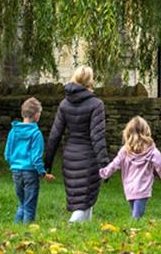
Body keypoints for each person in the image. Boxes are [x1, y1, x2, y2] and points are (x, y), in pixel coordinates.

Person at [44, 66, 109, 222]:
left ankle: (84, 234)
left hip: (70, 158)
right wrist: (105, 165)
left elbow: (55, 135)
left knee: (85, 201)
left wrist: (47, 163)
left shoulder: (64, 104)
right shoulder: (96, 104)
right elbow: (97, 137)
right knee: (82, 203)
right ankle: (70, 229)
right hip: (88, 159)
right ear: (90, 81)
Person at [99, 116, 161, 219]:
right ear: (146, 131)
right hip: (142, 188)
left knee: (135, 213)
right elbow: (160, 165)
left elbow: (114, 164)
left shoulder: (125, 150)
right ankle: (132, 231)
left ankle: (133, 230)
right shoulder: (152, 151)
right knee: (137, 216)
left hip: (129, 188)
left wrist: (104, 173)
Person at [4, 96, 54, 223]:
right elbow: (36, 158)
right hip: (30, 173)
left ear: (22, 113)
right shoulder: (36, 134)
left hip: (16, 172)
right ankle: (27, 234)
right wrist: (43, 173)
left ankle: (15, 229)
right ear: (37, 115)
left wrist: (15, 164)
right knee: (30, 206)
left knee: (22, 203)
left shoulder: (13, 132)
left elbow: (7, 154)